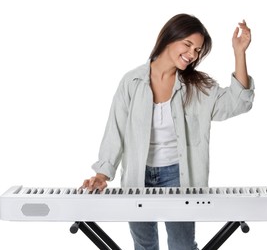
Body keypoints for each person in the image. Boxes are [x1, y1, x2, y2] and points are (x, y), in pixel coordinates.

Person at [82, 13, 254, 250]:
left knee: (182, 246)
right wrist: (102, 175)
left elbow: (239, 102)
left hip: (179, 175)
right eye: (187, 44)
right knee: (144, 245)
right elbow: (116, 130)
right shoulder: (131, 82)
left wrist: (239, 53)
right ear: (168, 38)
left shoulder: (197, 86)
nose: (192, 54)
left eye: (197, 50)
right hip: (137, 176)